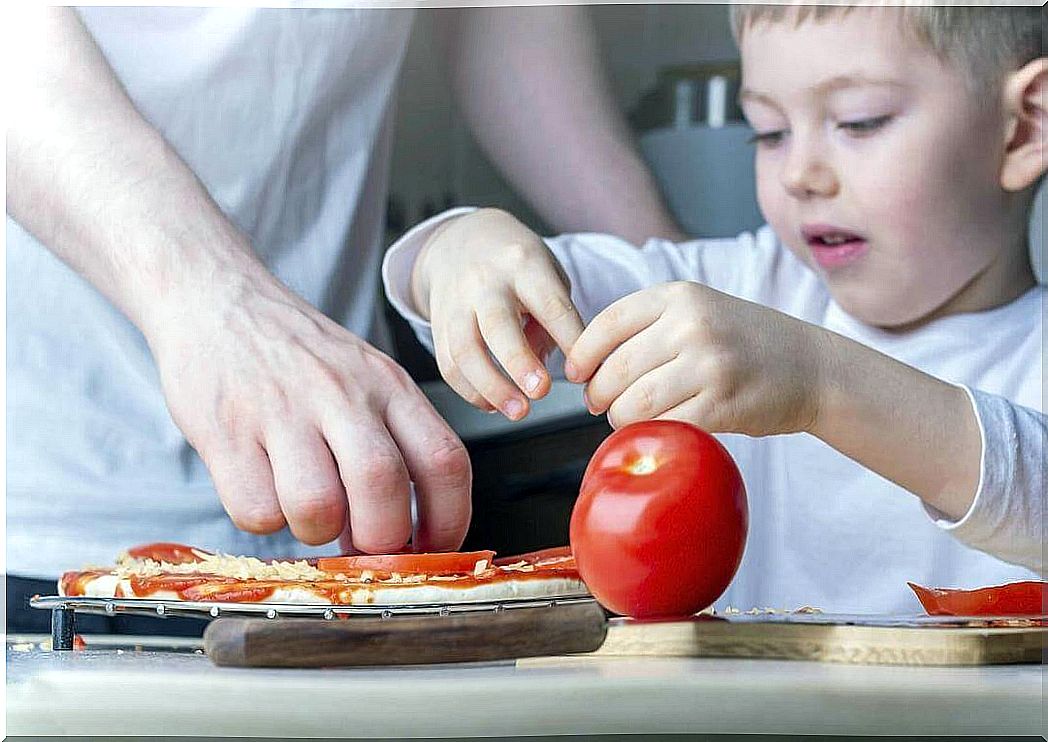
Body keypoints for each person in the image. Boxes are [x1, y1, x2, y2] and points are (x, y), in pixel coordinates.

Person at [5, 6, 684, 632]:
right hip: (47, 501)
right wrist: (224, 307)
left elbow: (496, 21)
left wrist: (688, 291)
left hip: (351, 511)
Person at [383, 5, 1046, 613]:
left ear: (1023, 129)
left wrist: (820, 381)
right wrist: (459, 248)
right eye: (769, 132)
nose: (800, 174)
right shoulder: (736, 287)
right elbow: (533, 288)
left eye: (859, 121)